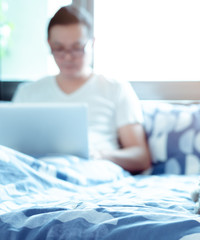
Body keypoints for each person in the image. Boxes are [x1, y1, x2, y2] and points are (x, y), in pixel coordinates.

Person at [12, 5, 152, 174]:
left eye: (77, 48)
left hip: (93, 170)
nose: (68, 57)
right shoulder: (27, 92)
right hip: (36, 171)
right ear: (49, 45)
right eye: (59, 48)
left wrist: (101, 155)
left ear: (92, 43)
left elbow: (140, 157)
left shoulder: (115, 88)